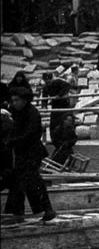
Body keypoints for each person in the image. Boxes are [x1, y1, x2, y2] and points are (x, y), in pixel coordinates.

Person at [4, 87, 56, 222]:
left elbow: (31, 134)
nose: (14, 103)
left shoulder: (32, 114)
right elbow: (15, 130)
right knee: (21, 182)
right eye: (13, 100)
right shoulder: (18, 112)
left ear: (25, 100)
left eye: (17, 100)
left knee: (31, 181)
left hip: (32, 152)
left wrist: (13, 141)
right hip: (22, 152)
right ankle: (19, 212)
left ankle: (44, 209)